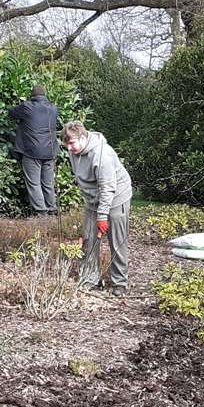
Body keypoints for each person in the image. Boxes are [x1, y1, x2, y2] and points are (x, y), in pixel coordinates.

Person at [63, 120, 132, 296]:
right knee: (89, 239)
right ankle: (89, 279)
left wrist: (102, 216)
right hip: (93, 201)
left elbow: (108, 187)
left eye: (71, 143)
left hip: (117, 197)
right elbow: (85, 181)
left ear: (83, 137)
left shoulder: (102, 155)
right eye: (66, 144)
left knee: (117, 242)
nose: (69, 148)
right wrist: (93, 207)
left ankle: (120, 283)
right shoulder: (74, 152)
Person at [8, 84, 61, 215]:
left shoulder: (27, 106)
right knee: (48, 182)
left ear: (32, 96)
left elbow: (11, 113)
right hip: (50, 152)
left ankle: (41, 212)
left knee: (34, 183)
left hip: (32, 152)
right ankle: (53, 210)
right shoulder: (53, 109)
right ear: (45, 95)